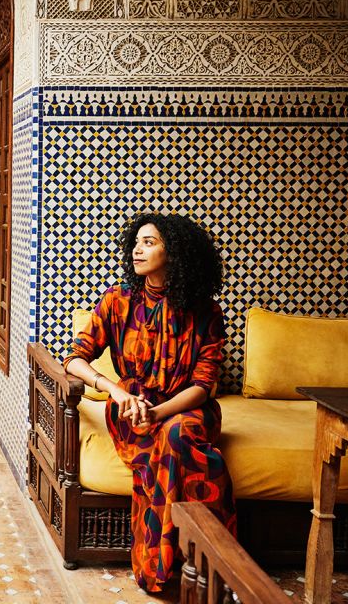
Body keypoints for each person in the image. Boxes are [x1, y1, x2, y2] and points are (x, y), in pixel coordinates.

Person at [62, 212, 236, 593]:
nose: (138, 250)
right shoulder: (118, 301)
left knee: (176, 436)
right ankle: (195, 566)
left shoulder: (206, 312)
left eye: (150, 242)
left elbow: (204, 385)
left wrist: (158, 412)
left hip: (185, 409)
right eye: (137, 242)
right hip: (130, 410)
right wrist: (117, 391)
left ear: (174, 252)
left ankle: (180, 565)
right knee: (170, 440)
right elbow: (74, 358)